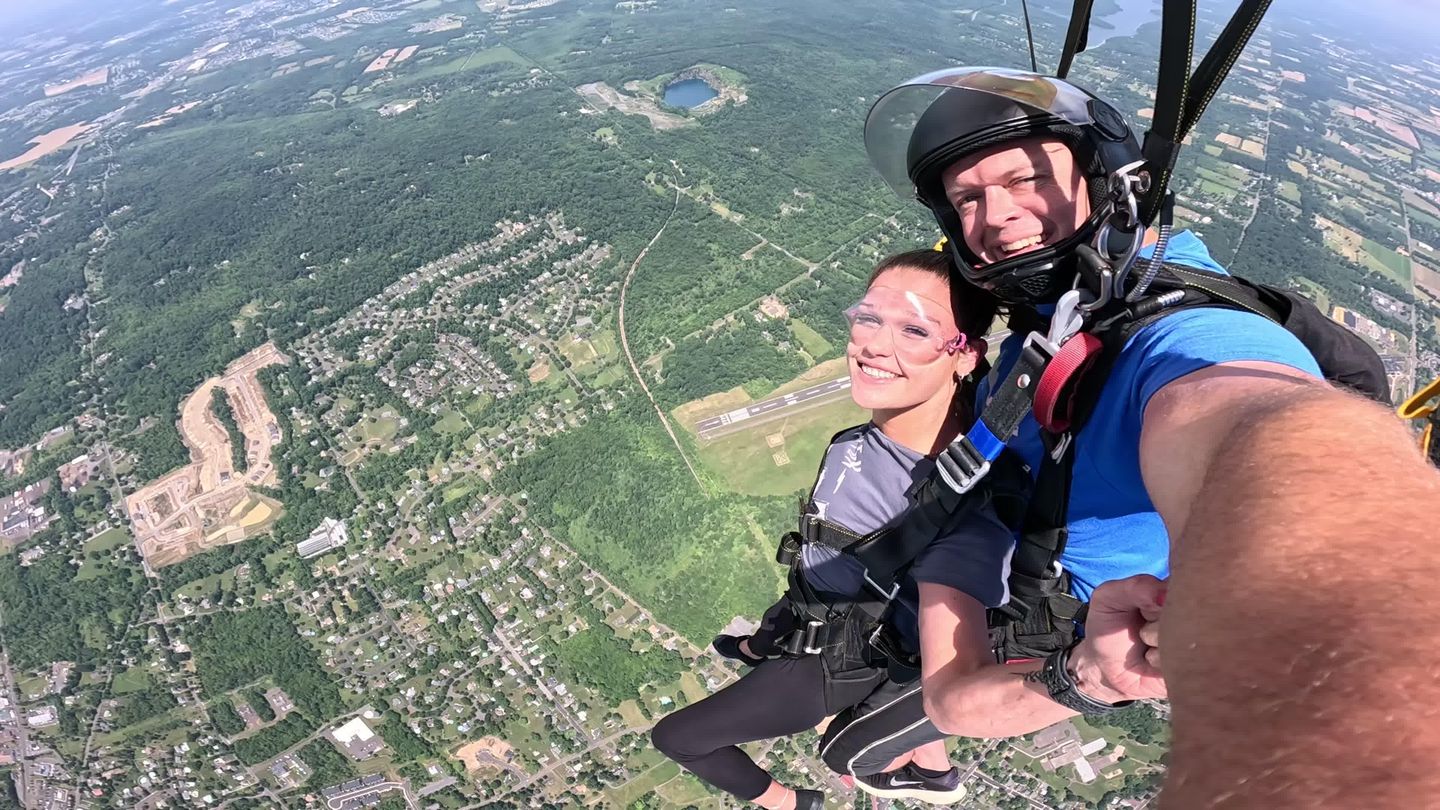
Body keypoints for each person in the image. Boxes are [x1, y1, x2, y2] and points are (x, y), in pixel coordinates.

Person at [824, 65, 1440, 807]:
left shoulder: (1179, 333)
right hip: (982, 544)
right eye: (968, 200)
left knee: (848, 750)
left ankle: (927, 775)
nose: (998, 216)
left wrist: (1093, 676)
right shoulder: (1065, 311)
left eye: (1027, 181)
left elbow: (1259, 426)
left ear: (1108, 186)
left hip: (1042, 623)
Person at [651, 249, 1015, 809]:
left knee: (677, 739)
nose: (872, 344)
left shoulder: (954, 504)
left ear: (964, 355)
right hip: (813, 602)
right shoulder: (857, 441)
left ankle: (791, 805)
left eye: (913, 329)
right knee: (776, 616)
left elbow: (947, 664)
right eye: (869, 317)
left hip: (833, 661)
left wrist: (874, 725)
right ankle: (757, 644)